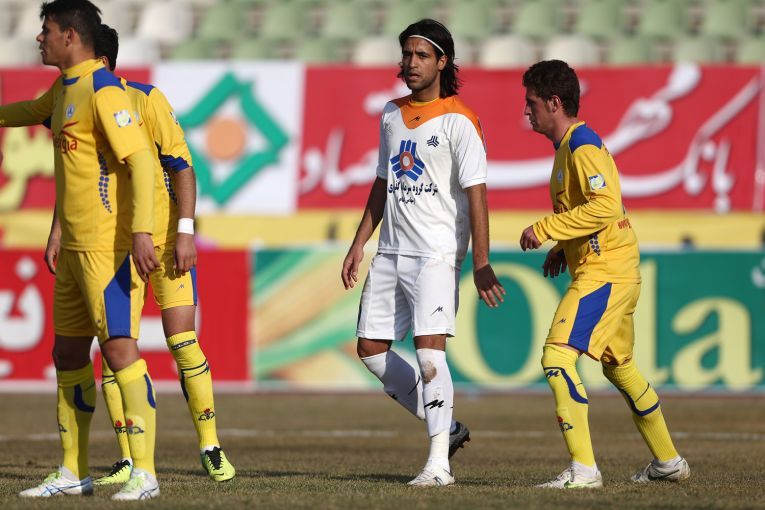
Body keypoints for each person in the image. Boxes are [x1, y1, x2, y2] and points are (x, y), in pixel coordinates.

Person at [0, 23, 236, 484]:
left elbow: (182, 167)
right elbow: (78, 177)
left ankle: (211, 445)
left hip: (161, 242)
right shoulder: (74, 97)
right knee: (114, 349)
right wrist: (57, 230)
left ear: (102, 61)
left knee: (182, 341)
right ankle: (129, 458)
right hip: (113, 243)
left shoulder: (144, 100)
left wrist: (185, 232)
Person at [5, 0, 161, 500]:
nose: (39, 38)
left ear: (70, 36)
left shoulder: (103, 89)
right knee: (67, 353)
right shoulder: (64, 87)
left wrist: (142, 232)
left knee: (118, 350)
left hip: (106, 247)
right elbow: (28, 113)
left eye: (46, 30)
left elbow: (141, 161)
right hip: (72, 249)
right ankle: (73, 471)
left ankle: (145, 473)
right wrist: (57, 231)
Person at [341, 19, 505, 487]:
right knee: (370, 350)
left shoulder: (460, 120)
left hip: (435, 254)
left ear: (442, 61)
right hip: (390, 251)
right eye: (407, 54)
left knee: (430, 355)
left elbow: (477, 194)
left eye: (421, 55)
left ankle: (438, 466)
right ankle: (447, 428)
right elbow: (383, 181)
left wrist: (480, 261)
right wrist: (359, 242)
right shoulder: (390, 113)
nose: (411, 63)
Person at [518, 59, 690, 489]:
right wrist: (563, 247)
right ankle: (668, 462)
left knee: (557, 357)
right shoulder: (567, 149)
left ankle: (584, 470)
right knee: (620, 367)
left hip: (606, 271)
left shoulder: (582, 145)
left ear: (554, 103)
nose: (526, 111)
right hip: (612, 267)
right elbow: (588, 211)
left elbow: (607, 206)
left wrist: (546, 228)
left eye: (532, 103)